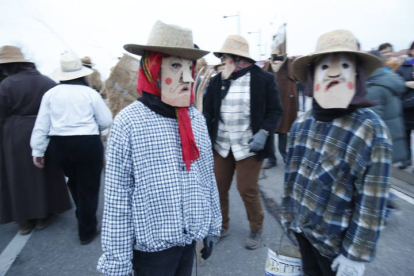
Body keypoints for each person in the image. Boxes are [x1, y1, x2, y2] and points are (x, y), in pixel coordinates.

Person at [97, 21, 221, 276]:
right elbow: (117, 199)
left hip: (188, 242)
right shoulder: (129, 123)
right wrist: (118, 263)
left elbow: (207, 177)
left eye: (189, 67)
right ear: (152, 67)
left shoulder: (195, 119)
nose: (187, 77)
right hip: (150, 251)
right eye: (175, 65)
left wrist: (211, 226)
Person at [282, 30, 392, 276]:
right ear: (312, 77)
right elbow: (291, 179)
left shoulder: (370, 130)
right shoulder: (302, 124)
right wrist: (289, 218)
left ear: (356, 75)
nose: (333, 72)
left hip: (336, 249)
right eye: (324, 66)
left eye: (344, 65)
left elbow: (372, 201)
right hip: (303, 234)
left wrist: (355, 255)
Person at [204, 34, 283, 249]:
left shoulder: (263, 79)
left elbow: (276, 110)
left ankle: (256, 228)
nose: (222, 61)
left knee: (246, 189)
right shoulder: (217, 81)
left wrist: (265, 132)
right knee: (218, 187)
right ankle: (222, 225)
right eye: (221, 58)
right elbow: (208, 111)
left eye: (225, 57)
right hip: (221, 145)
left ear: (238, 59)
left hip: (249, 146)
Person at [31, 52, 112, 244]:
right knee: (89, 187)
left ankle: (82, 215)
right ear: (82, 73)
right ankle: (87, 229)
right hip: (86, 143)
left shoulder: (50, 94)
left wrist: (38, 150)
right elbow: (106, 120)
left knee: (74, 182)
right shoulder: (90, 93)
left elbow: (42, 124)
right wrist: (94, 128)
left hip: (59, 145)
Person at [0, 45, 71, 234]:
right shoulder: (47, 81)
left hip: (15, 133)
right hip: (46, 130)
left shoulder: (6, 84)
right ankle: (43, 216)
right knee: (45, 173)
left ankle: (24, 220)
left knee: (18, 176)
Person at [262, 48, 298, 169]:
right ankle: (271, 159)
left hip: (285, 106)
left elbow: (295, 75)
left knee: (283, 133)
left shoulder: (288, 69)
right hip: (271, 107)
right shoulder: (268, 69)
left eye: (279, 62)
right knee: (270, 134)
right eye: (275, 62)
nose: (276, 65)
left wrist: (287, 60)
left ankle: (285, 156)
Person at [396, 41, 414, 170]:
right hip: (407, 106)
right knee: (406, 134)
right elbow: (396, 84)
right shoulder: (404, 67)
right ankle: (406, 159)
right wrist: (407, 84)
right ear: (411, 51)